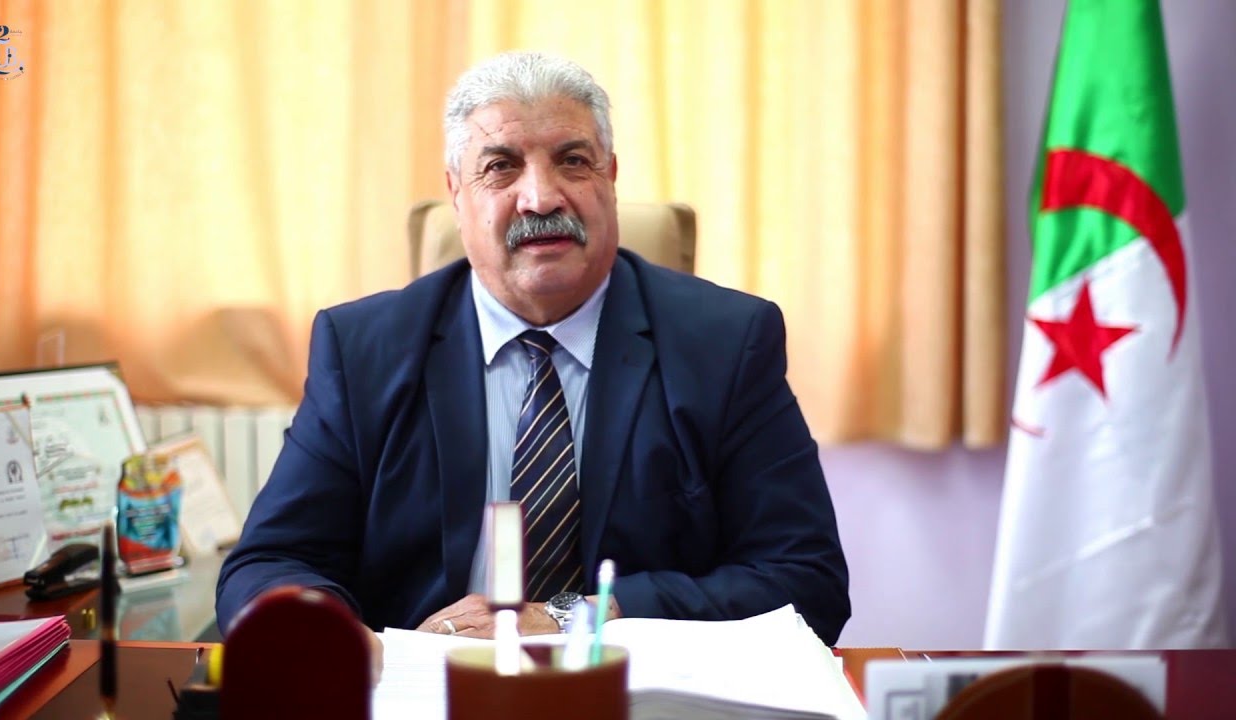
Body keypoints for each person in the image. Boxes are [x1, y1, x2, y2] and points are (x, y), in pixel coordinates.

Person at [215, 51, 850, 656]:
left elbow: (805, 579)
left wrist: (579, 616)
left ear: (610, 178)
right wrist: (331, 636)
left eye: (572, 161)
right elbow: (270, 563)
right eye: (501, 166)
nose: (541, 198)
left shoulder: (725, 342)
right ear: (457, 194)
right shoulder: (364, 350)